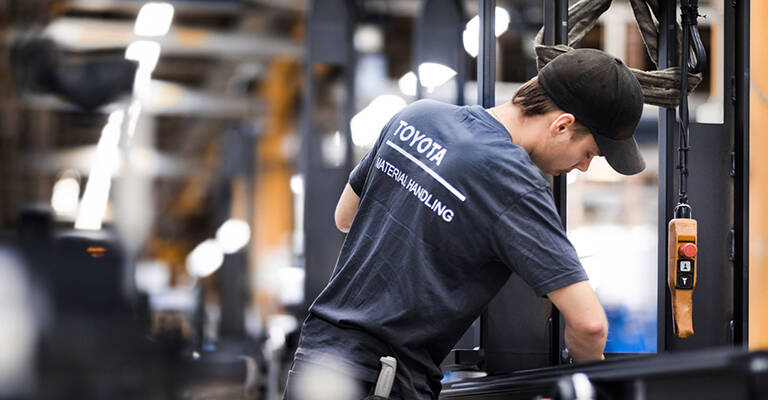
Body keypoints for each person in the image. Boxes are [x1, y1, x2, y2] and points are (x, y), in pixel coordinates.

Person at [285, 48, 645, 399]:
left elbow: (345, 216)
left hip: (317, 358)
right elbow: (589, 322)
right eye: (588, 154)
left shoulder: (417, 116)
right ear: (562, 124)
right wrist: (588, 384)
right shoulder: (513, 180)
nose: (583, 167)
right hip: (382, 379)